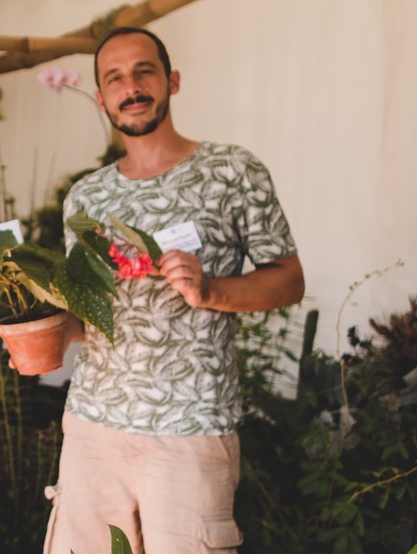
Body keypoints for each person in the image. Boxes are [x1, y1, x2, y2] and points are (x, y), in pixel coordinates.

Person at [41, 27, 305, 554]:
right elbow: (89, 315)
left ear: (172, 81)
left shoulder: (232, 171)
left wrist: (211, 291)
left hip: (190, 428)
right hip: (93, 427)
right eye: (114, 78)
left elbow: (290, 280)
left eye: (144, 71)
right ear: (101, 99)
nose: (131, 86)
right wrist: (30, 325)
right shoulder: (85, 197)